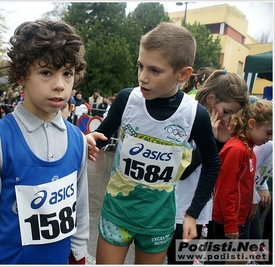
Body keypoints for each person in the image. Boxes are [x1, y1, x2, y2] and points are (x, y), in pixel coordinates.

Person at [85, 22, 221, 264]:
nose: (142, 77)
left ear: (183, 75)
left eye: (154, 70)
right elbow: (100, 140)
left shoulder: (195, 115)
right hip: (116, 215)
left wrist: (192, 214)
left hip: (158, 223)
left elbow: (212, 163)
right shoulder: (127, 99)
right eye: (140, 66)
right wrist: (86, 142)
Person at [0, 19, 89, 264]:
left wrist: (79, 254)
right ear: (23, 75)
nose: (59, 85)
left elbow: (81, 205)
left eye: (67, 74)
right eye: (46, 73)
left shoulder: (77, 138)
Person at [167, 69, 250, 264]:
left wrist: (218, 143)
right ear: (212, 99)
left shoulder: (214, 125)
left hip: (196, 209)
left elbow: (210, 170)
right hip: (177, 209)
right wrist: (210, 141)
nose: (228, 119)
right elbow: (183, 171)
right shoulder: (186, 118)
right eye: (227, 111)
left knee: (184, 261)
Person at [206, 98, 272, 264]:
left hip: (238, 218)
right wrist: (230, 224)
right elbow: (225, 189)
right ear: (251, 123)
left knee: (240, 260)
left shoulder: (248, 147)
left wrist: (252, 201)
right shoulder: (236, 149)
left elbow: (245, 183)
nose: (270, 139)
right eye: (268, 132)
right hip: (226, 220)